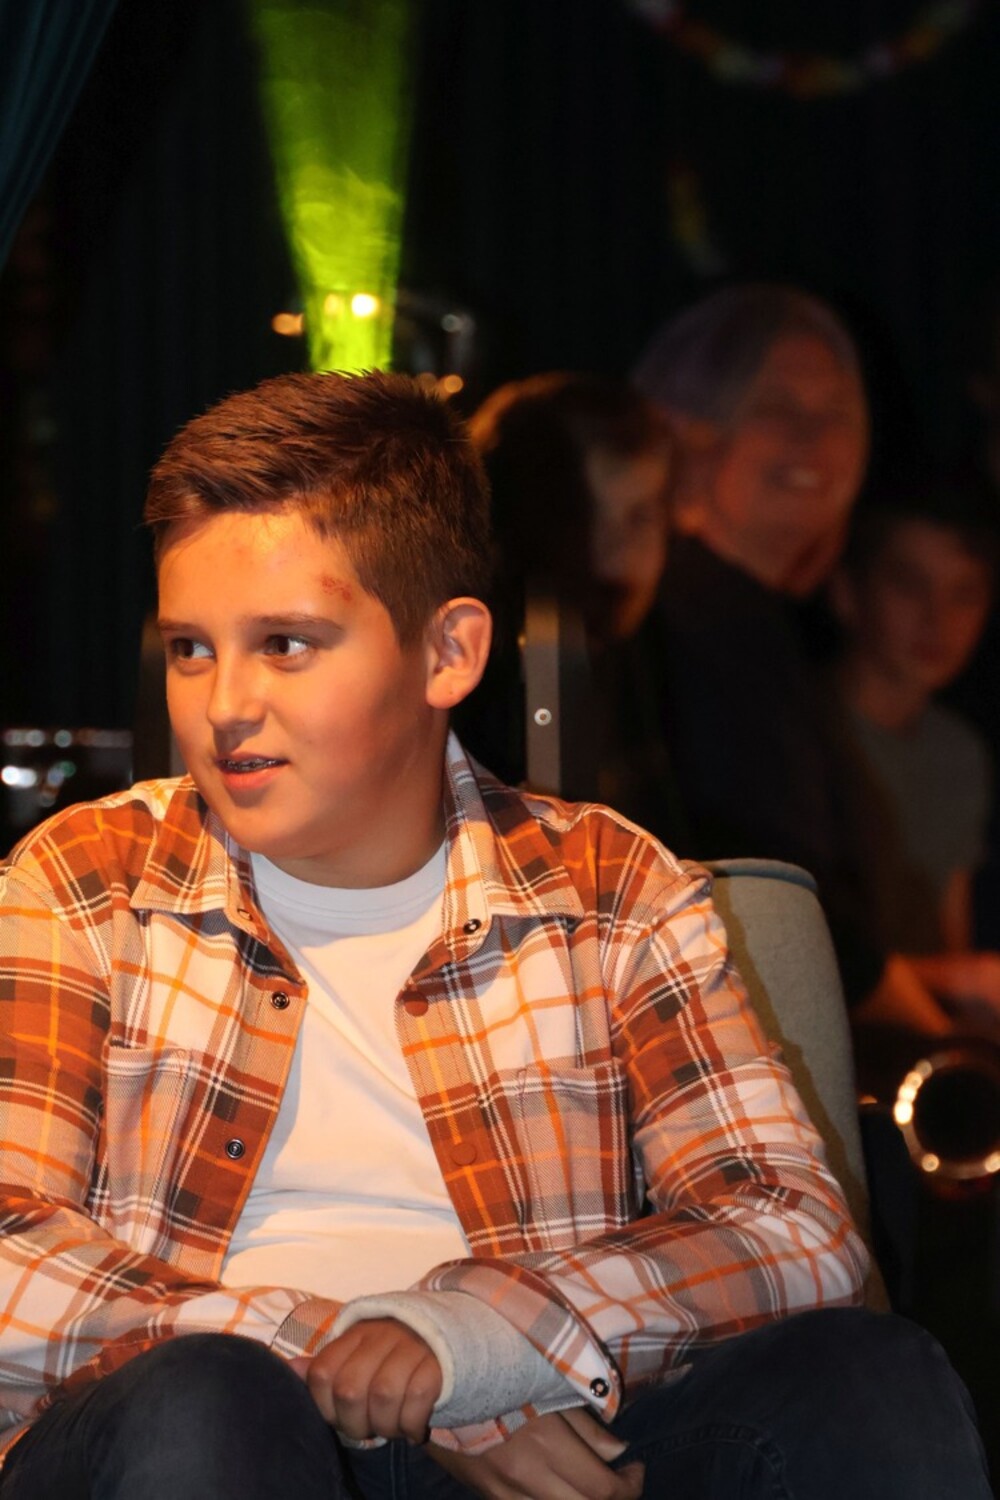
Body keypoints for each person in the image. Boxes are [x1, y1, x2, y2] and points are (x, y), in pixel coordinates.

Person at [0, 371, 988, 1499]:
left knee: (869, 1377)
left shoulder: (608, 887)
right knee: (207, 1397)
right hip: (208, 1430)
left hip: (535, 1428)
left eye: (285, 644)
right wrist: (341, 1355)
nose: (224, 703)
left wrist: (485, 1343)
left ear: (449, 654)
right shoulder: (85, 880)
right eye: (190, 649)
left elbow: (796, 1230)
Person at [634, 283, 960, 1035]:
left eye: (836, 413)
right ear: (687, 428)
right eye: (776, 407)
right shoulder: (707, 617)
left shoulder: (738, 615)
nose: (813, 439)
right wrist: (943, 1042)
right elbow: (769, 905)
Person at [454, 371, 675, 820]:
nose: (614, 550)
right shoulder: (478, 683)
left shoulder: (666, 656)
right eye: (580, 517)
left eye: (640, 516)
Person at [830, 479, 1000, 1030]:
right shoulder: (808, 732)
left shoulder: (958, 752)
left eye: (964, 594)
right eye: (908, 585)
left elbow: (949, 939)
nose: (937, 618)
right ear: (847, 591)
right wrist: (961, 980)